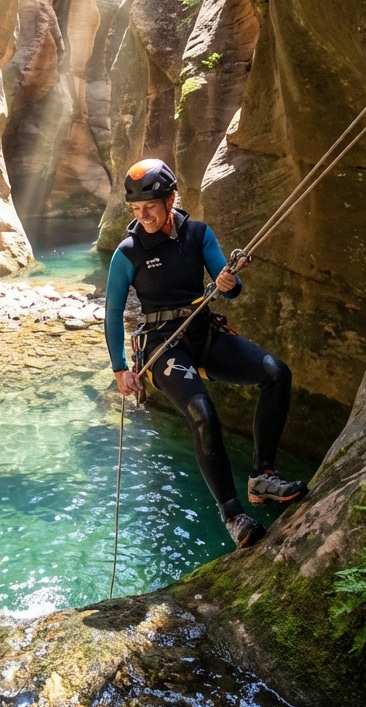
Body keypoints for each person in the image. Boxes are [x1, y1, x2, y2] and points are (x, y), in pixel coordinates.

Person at [104, 158, 306, 549]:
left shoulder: (198, 235)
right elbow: (112, 311)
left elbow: (227, 285)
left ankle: (262, 476)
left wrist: (229, 282)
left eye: (150, 207)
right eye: (136, 210)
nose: (143, 216)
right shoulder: (128, 253)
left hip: (204, 334)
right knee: (202, 412)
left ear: (171, 200)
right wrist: (120, 369)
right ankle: (233, 515)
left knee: (276, 374)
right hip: (162, 345)